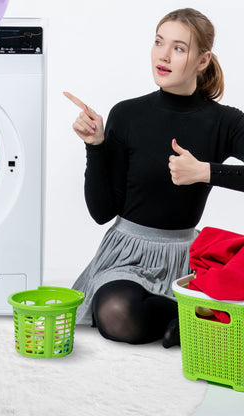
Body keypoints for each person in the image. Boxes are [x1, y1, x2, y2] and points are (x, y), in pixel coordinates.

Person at [64, 8, 244, 348]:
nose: (163, 55)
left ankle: (186, 318)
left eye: (178, 48)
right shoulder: (127, 114)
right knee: (116, 312)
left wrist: (205, 171)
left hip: (187, 257)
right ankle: (191, 320)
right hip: (126, 256)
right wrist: (96, 147)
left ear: (202, 60)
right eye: (159, 42)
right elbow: (102, 212)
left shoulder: (226, 122)